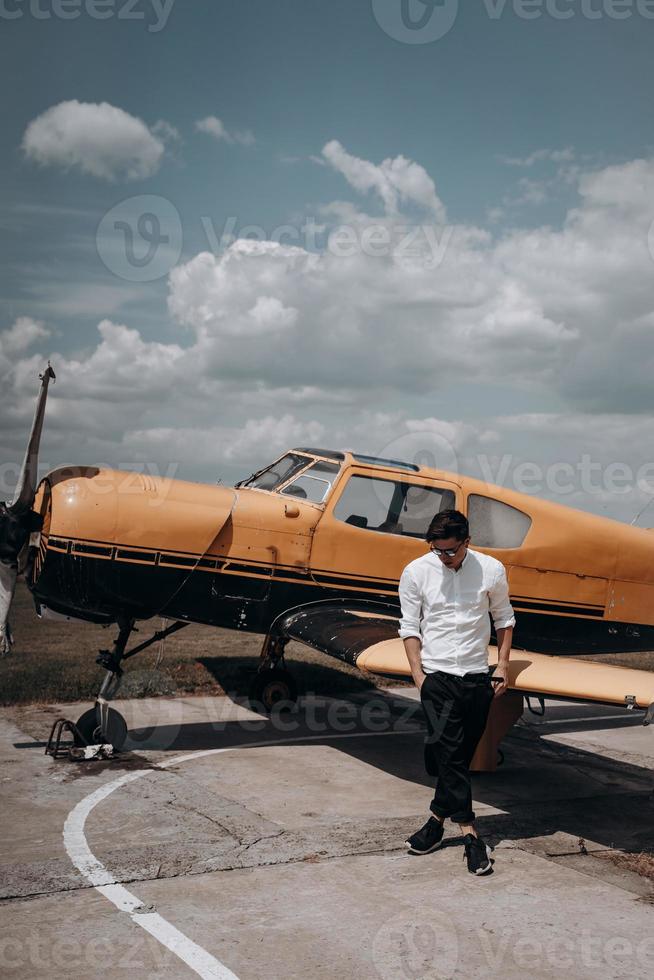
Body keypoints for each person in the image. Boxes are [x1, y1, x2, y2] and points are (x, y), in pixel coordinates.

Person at [398, 509, 515, 876]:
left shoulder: (492, 570)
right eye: (438, 551)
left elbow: (504, 620)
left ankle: (435, 822)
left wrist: (502, 667)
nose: (444, 558)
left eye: (451, 551)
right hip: (437, 679)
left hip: (478, 679)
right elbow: (409, 625)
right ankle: (471, 836)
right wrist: (419, 675)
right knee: (449, 755)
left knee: (457, 759)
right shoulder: (416, 571)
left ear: (467, 542)